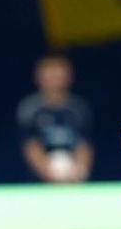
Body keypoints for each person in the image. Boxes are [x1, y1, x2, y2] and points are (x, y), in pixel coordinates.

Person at [17, 53, 93, 183]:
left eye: (59, 73)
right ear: (39, 76)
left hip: (72, 178)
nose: (55, 78)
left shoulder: (78, 108)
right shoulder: (29, 109)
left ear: (68, 76)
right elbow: (30, 145)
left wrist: (80, 170)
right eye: (50, 73)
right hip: (39, 181)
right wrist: (48, 171)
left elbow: (84, 145)